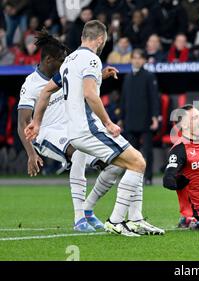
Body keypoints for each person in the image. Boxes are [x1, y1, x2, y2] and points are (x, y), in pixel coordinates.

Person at [25, 20, 165, 236]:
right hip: (89, 129)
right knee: (138, 162)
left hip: (75, 133)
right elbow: (89, 93)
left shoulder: (69, 61)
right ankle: (116, 221)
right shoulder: (92, 59)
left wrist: (36, 122)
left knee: (131, 162)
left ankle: (134, 219)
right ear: (100, 39)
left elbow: (45, 91)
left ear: (83, 37)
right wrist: (108, 122)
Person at [16, 29, 124, 233]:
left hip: (71, 130)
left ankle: (88, 209)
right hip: (46, 134)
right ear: (49, 60)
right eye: (61, 60)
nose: (64, 63)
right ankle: (79, 218)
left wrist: (102, 75)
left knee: (114, 164)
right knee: (80, 151)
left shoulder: (61, 74)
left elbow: (83, 85)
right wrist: (31, 154)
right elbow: (23, 122)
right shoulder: (31, 85)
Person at [120, 49, 160, 185]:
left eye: (139, 58)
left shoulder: (149, 76)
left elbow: (154, 98)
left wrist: (155, 117)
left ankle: (148, 177)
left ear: (144, 60)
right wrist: (121, 118)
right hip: (130, 120)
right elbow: (124, 99)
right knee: (131, 152)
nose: (137, 60)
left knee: (147, 151)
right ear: (131, 59)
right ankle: (133, 177)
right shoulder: (128, 77)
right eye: (134, 58)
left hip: (145, 120)